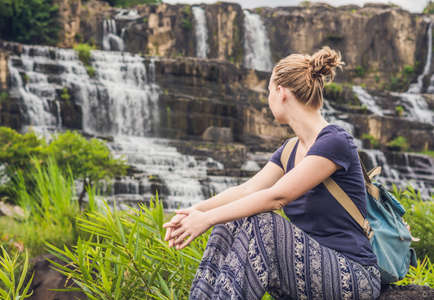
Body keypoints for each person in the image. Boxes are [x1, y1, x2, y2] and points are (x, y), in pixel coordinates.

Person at [162, 46, 381, 300]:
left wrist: (207, 220)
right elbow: (245, 191)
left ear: (281, 92)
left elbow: (277, 197)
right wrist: (197, 211)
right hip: (307, 270)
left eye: (268, 91)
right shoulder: (289, 150)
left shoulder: (334, 141)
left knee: (264, 222)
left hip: (353, 275)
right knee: (230, 221)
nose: (268, 99)